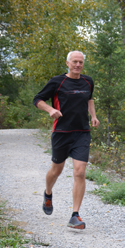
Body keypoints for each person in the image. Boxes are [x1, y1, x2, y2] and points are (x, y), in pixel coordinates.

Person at [33, 51, 100, 229]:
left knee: (79, 172)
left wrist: (93, 116)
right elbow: (37, 99)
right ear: (68, 63)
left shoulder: (88, 81)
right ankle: (48, 193)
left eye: (81, 62)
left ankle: (75, 215)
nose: (78, 65)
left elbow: (90, 99)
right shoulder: (57, 81)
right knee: (56, 170)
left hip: (82, 133)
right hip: (62, 132)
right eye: (75, 62)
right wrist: (50, 110)